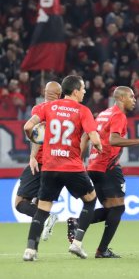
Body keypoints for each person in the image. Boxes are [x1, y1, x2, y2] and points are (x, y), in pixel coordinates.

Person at [67, 86, 139, 258]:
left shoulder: (103, 114)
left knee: (111, 209)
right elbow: (113, 140)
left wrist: (79, 156)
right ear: (121, 98)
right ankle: (102, 250)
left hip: (93, 165)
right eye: (131, 97)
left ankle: (79, 223)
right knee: (118, 208)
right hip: (108, 167)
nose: (134, 100)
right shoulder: (118, 115)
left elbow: (87, 135)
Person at [22, 75, 103, 261]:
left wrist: (35, 138)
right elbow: (95, 139)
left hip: (50, 167)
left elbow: (28, 126)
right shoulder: (83, 110)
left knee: (42, 209)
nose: (84, 92)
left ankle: (30, 250)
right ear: (75, 91)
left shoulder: (47, 107)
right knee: (90, 200)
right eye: (82, 89)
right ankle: (77, 244)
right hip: (72, 167)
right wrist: (99, 146)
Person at [15, 81, 62, 242]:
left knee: (21, 203)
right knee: (40, 201)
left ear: (44, 92)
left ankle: (47, 219)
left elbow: (35, 131)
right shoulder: (66, 112)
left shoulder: (40, 108)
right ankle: (33, 245)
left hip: (41, 161)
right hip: (59, 163)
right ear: (60, 94)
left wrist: (33, 156)